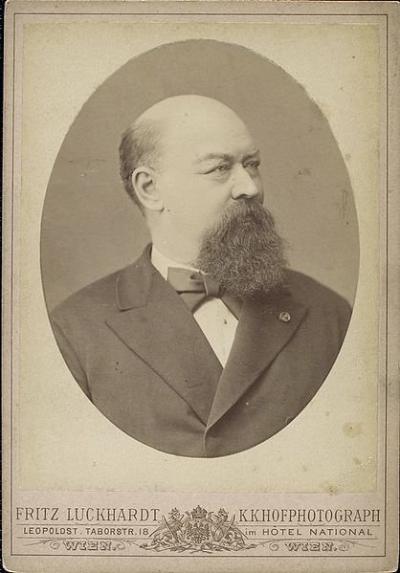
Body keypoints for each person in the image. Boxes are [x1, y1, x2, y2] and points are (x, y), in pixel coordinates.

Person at [51, 95, 351, 457]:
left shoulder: (328, 313)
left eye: (252, 164)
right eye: (219, 168)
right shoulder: (74, 333)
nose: (250, 187)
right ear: (150, 189)